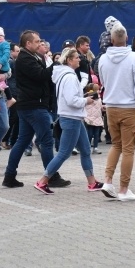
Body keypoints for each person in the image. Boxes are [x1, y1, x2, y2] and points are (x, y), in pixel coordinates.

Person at [33, 49, 104, 194]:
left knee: (85, 150)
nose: (79, 60)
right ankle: (43, 181)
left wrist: (84, 97)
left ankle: (92, 182)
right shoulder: (70, 77)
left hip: (74, 117)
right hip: (71, 118)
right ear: (69, 60)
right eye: (77, 57)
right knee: (64, 153)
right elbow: (72, 100)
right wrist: (87, 100)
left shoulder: (64, 75)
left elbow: (69, 97)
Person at [3, 30, 68, 189]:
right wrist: (56, 64)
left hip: (30, 105)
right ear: (28, 44)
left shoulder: (31, 57)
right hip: (34, 106)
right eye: (37, 41)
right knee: (46, 140)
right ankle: (51, 176)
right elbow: (41, 76)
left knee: (23, 141)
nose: (41, 44)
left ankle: (9, 176)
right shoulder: (25, 59)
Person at [97, 22, 135, 201]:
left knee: (116, 145)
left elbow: (103, 82)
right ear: (126, 38)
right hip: (130, 108)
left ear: (111, 39)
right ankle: (124, 189)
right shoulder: (134, 58)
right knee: (128, 150)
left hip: (111, 106)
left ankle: (107, 181)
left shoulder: (103, 59)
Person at [84, 82, 104, 154]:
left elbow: (100, 107)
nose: (99, 91)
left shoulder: (99, 98)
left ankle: (95, 147)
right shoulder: (88, 98)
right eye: (97, 89)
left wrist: (103, 108)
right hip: (90, 118)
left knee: (96, 134)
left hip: (97, 118)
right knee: (89, 133)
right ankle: (88, 147)